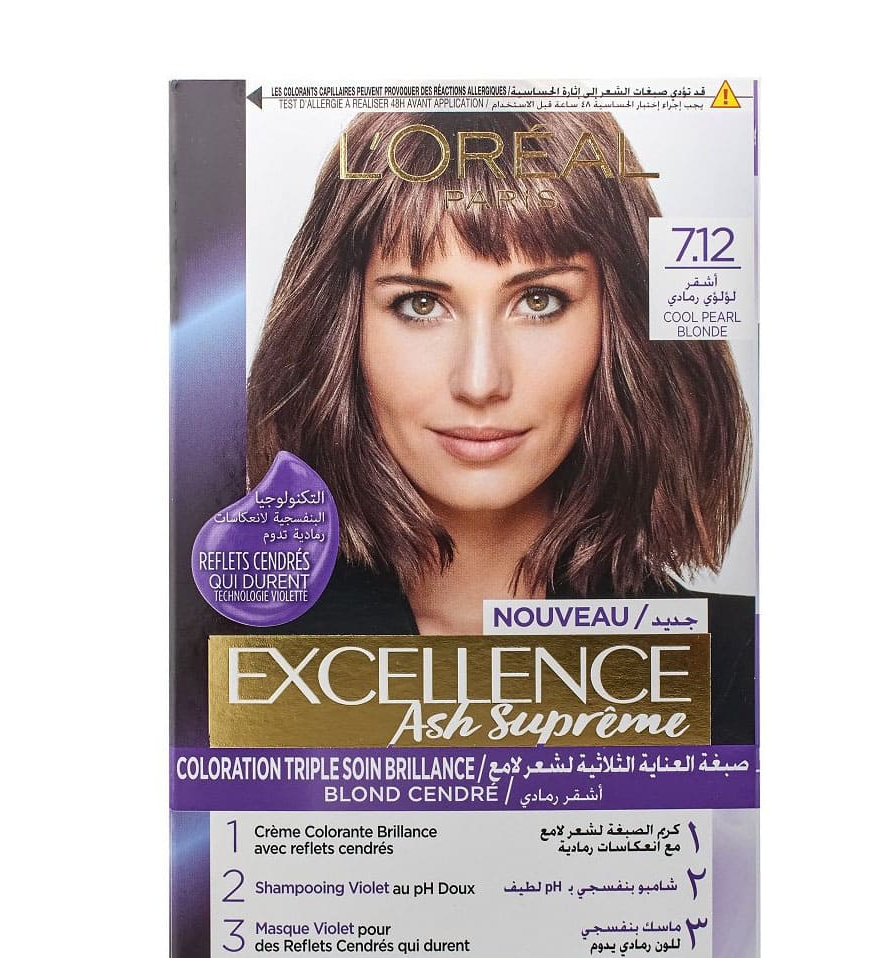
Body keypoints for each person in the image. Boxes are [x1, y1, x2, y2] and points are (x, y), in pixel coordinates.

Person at [247, 110, 752, 676]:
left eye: (539, 301)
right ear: (340, 329)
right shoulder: (235, 666)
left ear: (622, 323)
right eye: (420, 304)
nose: (480, 382)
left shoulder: (737, 666)